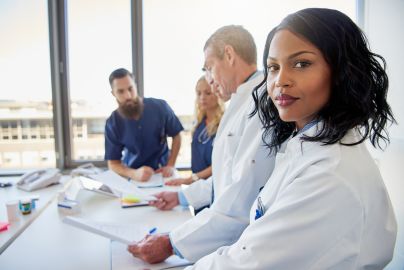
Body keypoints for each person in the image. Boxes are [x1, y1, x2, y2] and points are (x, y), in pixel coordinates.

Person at [184, 8, 397, 269]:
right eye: (273, 67)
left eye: (302, 64)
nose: (280, 81)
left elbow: (250, 263)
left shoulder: (328, 173)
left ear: (342, 70)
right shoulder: (304, 145)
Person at [127, 25, 275, 263]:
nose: (209, 79)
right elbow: (227, 178)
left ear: (229, 55)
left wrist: (170, 242)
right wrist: (181, 197)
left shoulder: (259, 107)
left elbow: (239, 202)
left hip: (241, 248)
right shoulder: (241, 102)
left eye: (209, 67)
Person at [105, 68, 183, 182]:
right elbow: (113, 163)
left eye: (130, 89)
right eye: (121, 92)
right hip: (133, 177)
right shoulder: (113, 122)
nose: (128, 96)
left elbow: (177, 135)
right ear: (113, 94)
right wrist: (133, 173)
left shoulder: (160, 107)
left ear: (135, 86)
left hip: (163, 173)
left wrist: (171, 165)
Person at [165, 76, 225, 186]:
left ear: (218, 93)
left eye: (207, 93)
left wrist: (190, 179)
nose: (202, 97)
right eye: (199, 93)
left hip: (214, 185)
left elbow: (221, 163)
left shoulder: (225, 124)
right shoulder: (199, 125)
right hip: (197, 185)